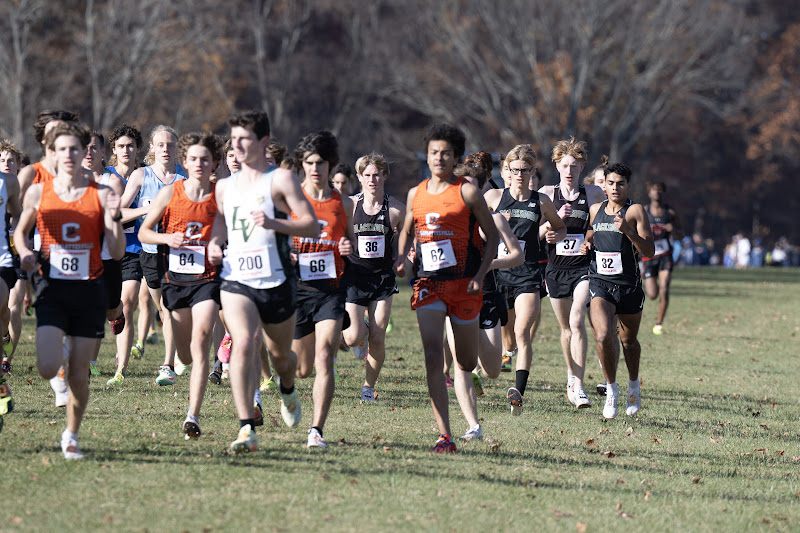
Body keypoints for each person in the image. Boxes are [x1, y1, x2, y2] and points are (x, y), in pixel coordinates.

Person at [208, 110, 317, 453]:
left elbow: (311, 225)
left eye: (245, 139)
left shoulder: (281, 180)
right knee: (242, 342)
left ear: (263, 142)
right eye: (234, 139)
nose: (238, 145)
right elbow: (222, 223)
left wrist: (274, 224)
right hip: (236, 277)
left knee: (281, 355)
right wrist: (214, 242)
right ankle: (245, 427)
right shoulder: (224, 186)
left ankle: (287, 388)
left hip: (276, 279)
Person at [14, 122, 125, 459]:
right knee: (49, 367)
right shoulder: (38, 192)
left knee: (80, 375)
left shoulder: (102, 195)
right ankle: (59, 354)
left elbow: (117, 251)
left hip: (89, 291)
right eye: (62, 149)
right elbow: (20, 233)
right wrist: (27, 253)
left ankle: (71, 433)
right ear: (52, 153)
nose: (69, 154)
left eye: (75, 148)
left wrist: (115, 220)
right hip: (51, 288)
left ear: (85, 152)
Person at [395, 123, 499, 452]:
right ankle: (445, 434)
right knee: (431, 353)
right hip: (429, 283)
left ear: (454, 158)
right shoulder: (416, 193)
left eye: (445, 153)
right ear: (426, 156)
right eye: (433, 153)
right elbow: (407, 230)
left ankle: (470, 370)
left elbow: (492, 237)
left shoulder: (467, 192)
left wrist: (480, 275)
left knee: (466, 362)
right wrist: (401, 256)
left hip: (465, 285)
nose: (438, 158)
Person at [139, 132, 222, 438]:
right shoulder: (170, 192)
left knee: (202, 339)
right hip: (175, 280)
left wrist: (218, 244)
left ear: (213, 162)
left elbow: (229, 228)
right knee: (185, 355)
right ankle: (182, 362)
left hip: (208, 279)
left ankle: (193, 415)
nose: (199, 164)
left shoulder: (219, 195)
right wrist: (166, 238)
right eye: (193, 159)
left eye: (205, 159)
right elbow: (144, 233)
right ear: (184, 162)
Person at [483, 144, 566, 416]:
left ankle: (518, 392)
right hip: (497, 274)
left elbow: (560, 226)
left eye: (524, 170)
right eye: (514, 169)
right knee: (507, 342)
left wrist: (556, 236)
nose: (519, 174)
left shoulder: (540, 201)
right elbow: (475, 230)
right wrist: (494, 226)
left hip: (528, 274)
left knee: (522, 333)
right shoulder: (494, 197)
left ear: (532, 171)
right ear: (506, 170)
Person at [445, 159, 524, 441]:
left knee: (491, 370)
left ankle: (478, 359)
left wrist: (489, 265)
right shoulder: (446, 219)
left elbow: (518, 255)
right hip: (453, 298)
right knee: (461, 364)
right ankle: (473, 426)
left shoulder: (495, 219)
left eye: (471, 188)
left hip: (487, 297)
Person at [290, 131, 355, 449]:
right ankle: (287, 387)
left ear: (330, 165)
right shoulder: (291, 200)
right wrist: (288, 251)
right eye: (310, 162)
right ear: (302, 164)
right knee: (300, 370)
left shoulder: (341, 203)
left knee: (325, 356)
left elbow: (351, 243)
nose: (315, 168)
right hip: (298, 289)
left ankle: (316, 429)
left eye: (321, 163)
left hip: (331, 290)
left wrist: (346, 247)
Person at [580, 163, 654, 419]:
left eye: (620, 183)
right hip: (600, 282)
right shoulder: (595, 209)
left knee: (628, 341)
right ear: (604, 185)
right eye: (610, 183)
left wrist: (628, 231)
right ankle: (612, 389)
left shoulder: (635, 210)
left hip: (629, 286)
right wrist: (587, 243)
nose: (614, 188)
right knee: (602, 336)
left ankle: (633, 385)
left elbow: (649, 251)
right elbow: (591, 230)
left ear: (628, 186)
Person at [539, 138, 605, 408]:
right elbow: (535, 234)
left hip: (583, 269)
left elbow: (599, 224)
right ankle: (571, 376)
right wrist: (551, 224)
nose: (569, 171)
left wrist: (589, 238)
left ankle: (578, 385)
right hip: (555, 270)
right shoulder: (545, 194)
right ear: (556, 165)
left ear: (582, 167)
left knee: (578, 320)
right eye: (564, 165)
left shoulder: (593, 194)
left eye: (575, 166)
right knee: (566, 328)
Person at [119, 125, 185, 386]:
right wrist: (146, 209)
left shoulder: (185, 177)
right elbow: (119, 214)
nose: (166, 149)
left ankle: (168, 364)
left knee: (170, 308)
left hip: (180, 252)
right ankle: (177, 352)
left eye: (170, 145)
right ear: (152, 149)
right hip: (150, 251)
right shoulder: (140, 175)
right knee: (162, 307)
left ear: (177, 149)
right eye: (161, 145)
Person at [340, 154, 405, 402]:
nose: (372, 180)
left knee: (378, 337)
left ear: (385, 176)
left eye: (376, 174)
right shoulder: (350, 205)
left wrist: (404, 253)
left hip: (382, 279)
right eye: (366, 175)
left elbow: (410, 232)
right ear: (358, 177)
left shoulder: (396, 209)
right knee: (352, 337)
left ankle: (368, 387)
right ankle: (362, 328)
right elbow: (335, 231)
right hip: (354, 277)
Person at [104, 124, 148, 386]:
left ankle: (120, 367)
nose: (126, 150)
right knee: (109, 306)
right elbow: (115, 216)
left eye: (130, 146)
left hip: (136, 249)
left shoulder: (146, 176)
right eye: (121, 146)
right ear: (114, 150)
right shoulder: (109, 177)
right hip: (108, 248)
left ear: (138, 149)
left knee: (128, 302)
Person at [82, 131, 126, 377]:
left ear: (102, 152)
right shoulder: (71, 180)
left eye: (93, 148)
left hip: (108, 255)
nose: (88, 153)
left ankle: (118, 312)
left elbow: (113, 219)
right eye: (84, 148)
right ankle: (85, 361)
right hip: (81, 256)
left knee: (109, 308)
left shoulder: (113, 181)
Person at [642, 182, 683, 335]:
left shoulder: (670, 212)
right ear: (649, 193)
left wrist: (674, 230)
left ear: (663, 193)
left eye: (659, 190)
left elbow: (681, 234)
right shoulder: (644, 211)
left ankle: (659, 323)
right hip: (648, 257)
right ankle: (654, 288)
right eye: (654, 190)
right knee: (652, 294)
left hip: (666, 255)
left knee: (665, 287)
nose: (657, 193)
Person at [1, 140, 26, 371]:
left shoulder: (25, 186)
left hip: (18, 253)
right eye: (2, 160)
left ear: (19, 164)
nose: (7, 164)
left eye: (11, 161)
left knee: (15, 304)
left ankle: (6, 360)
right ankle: (3, 334)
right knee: (4, 309)